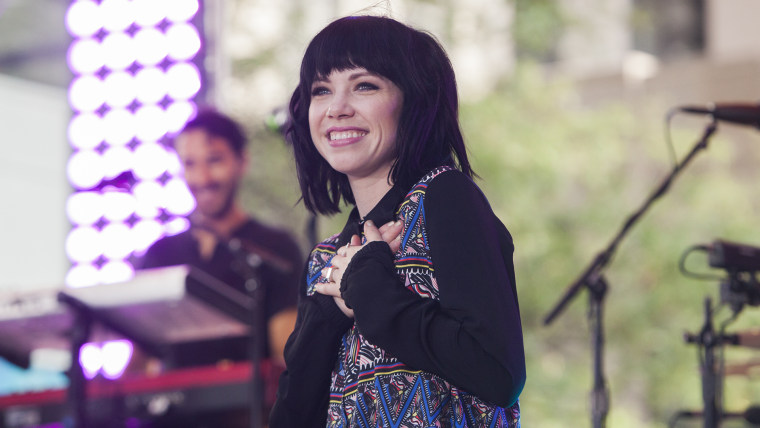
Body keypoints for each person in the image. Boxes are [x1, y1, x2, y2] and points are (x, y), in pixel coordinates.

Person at [270, 15, 525, 427]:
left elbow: (498, 373)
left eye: (364, 85)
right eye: (321, 90)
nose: (337, 108)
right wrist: (327, 312)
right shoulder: (325, 260)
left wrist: (369, 290)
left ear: (413, 100)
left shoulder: (443, 197)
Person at [137, 109, 303, 423]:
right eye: (190, 164)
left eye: (214, 160)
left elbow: (286, 354)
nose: (202, 178)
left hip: (248, 414)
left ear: (242, 162)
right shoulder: (161, 253)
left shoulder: (274, 247)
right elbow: (139, 356)